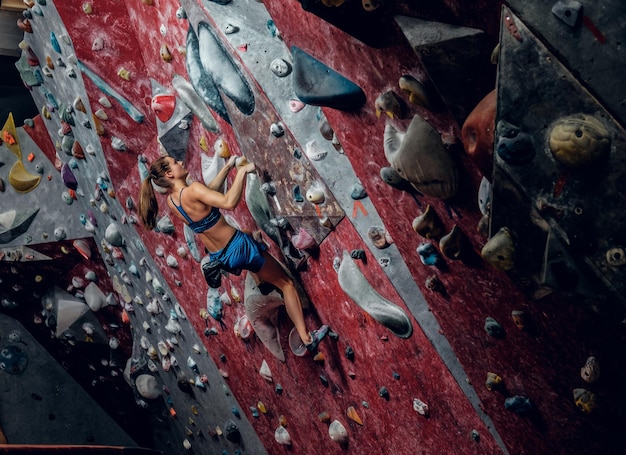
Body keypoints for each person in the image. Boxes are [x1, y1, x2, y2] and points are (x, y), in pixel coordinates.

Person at [138, 155, 328, 352]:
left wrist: (228, 167)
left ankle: (262, 281)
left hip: (221, 257)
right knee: (287, 285)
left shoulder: (172, 201)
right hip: (238, 248)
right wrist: (242, 172)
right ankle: (307, 339)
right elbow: (228, 202)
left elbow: (207, 195)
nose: (181, 162)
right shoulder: (192, 190)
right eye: (176, 163)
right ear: (169, 174)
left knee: (248, 234)